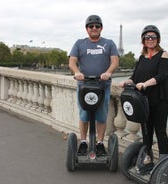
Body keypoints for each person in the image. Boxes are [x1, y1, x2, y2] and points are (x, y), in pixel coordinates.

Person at [119, 25, 168, 165]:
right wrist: (127, 81)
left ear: (158, 39)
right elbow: (134, 77)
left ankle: (163, 160)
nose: (150, 39)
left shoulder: (163, 54)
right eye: (147, 37)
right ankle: (147, 156)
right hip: (145, 100)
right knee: (147, 130)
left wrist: (145, 83)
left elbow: (162, 75)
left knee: (160, 131)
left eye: (153, 37)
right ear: (143, 40)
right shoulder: (142, 57)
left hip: (160, 99)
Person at [69, 15, 119, 155]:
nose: (94, 28)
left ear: (101, 28)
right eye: (91, 26)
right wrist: (77, 71)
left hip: (103, 86)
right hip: (84, 86)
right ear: (87, 29)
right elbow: (72, 61)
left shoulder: (109, 43)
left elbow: (115, 61)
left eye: (97, 26)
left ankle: (100, 143)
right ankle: (83, 142)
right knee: (84, 115)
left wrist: (108, 72)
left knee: (102, 116)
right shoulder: (79, 43)